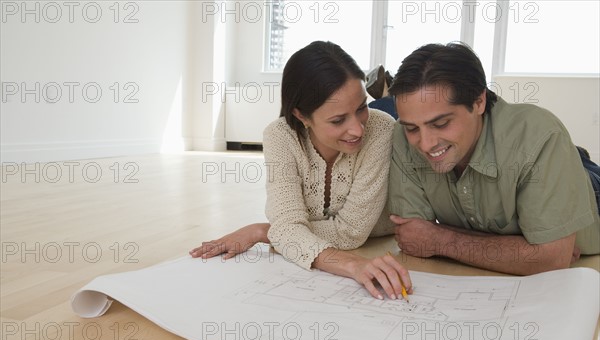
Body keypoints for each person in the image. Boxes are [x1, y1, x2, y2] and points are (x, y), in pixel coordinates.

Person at [190, 41, 412, 300]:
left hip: (376, 237)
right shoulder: (280, 136)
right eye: (338, 120)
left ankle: (383, 98)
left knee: (389, 113)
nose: (358, 129)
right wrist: (285, 231)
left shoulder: (380, 129)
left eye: (362, 107)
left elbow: (350, 234)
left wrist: (264, 231)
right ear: (302, 116)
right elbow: (287, 227)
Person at [387, 42, 600, 275]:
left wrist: (439, 238)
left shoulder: (540, 136)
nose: (425, 144)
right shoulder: (402, 135)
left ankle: (576, 157)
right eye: (412, 128)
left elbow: (550, 259)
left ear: (479, 101)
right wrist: (527, 249)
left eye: (441, 124)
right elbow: (414, 238)